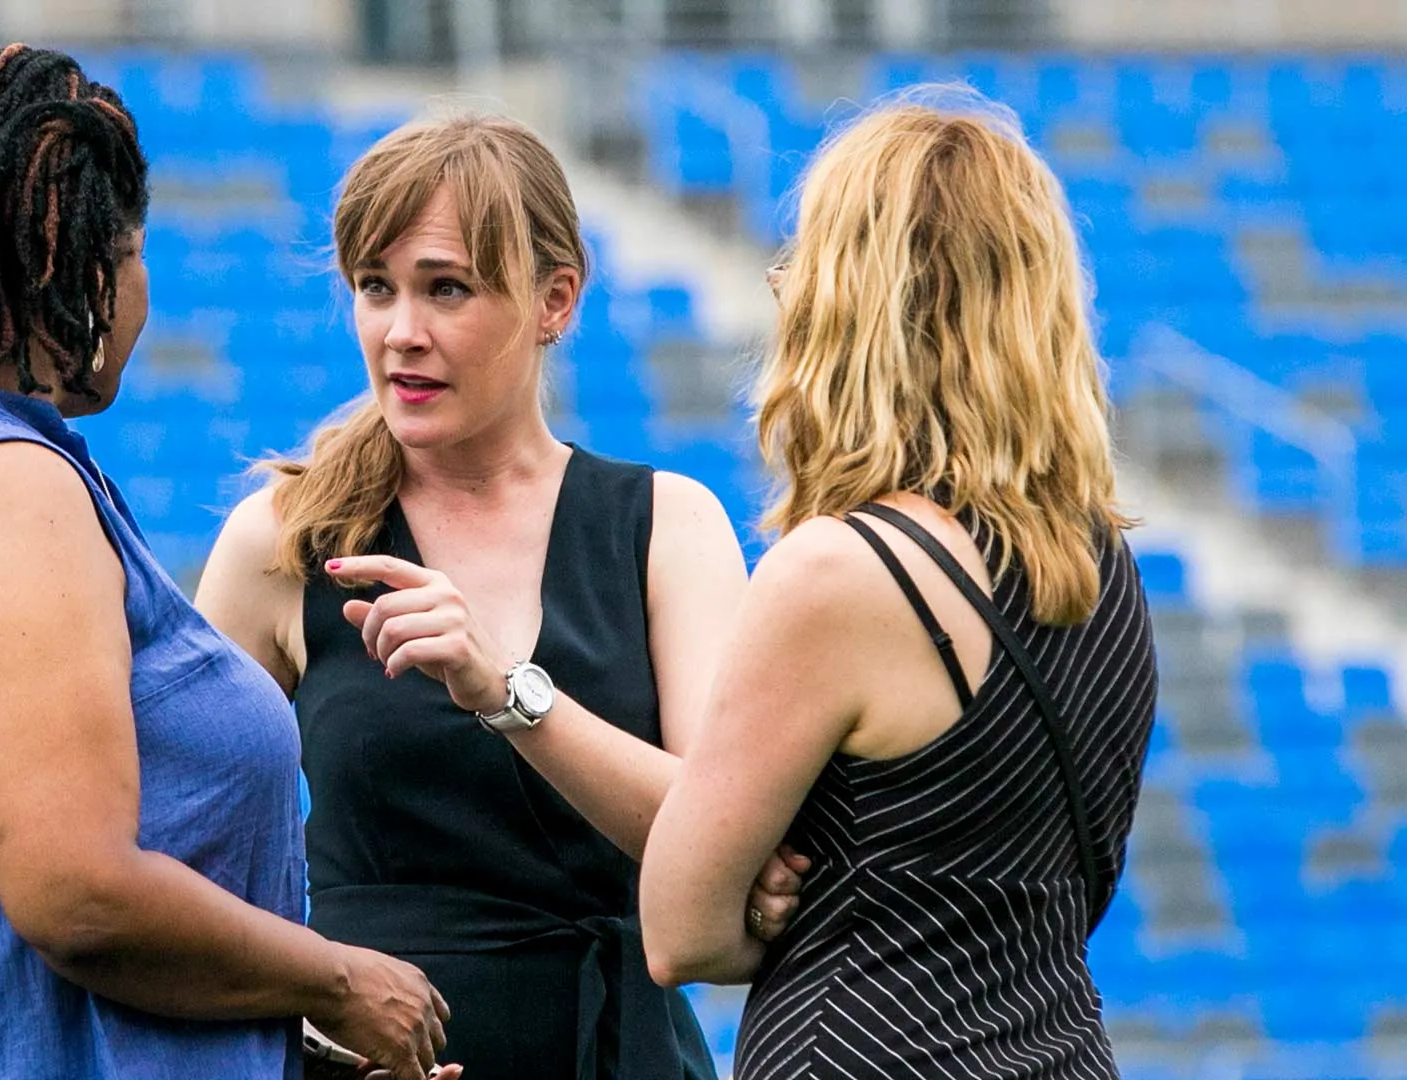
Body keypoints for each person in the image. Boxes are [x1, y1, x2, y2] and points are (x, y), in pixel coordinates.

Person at [0, 45, 456, 1080]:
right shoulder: (1, 487)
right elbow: (79, 893)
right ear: (77, 262)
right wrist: (337, 980)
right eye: (139, 253)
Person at [196, 113, 805, 1080]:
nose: (402, 333)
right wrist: (308, 1015)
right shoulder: (286, 539)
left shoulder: (665, 525)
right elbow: (187, 856)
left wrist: (506, 690)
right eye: (375, 289)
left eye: (447, 289)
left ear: (554, 300)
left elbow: (723, 842)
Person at [639, 92, 1160, 1079]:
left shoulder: (840, 572)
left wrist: (773, 900)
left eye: (800, 266)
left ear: (854, 300)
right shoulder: (1107, 565)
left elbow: (679, 931)